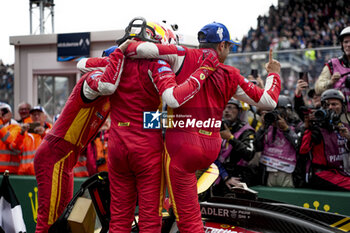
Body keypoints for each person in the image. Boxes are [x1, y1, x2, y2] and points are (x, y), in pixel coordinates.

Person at [125, 22, 281, 232]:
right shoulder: (231, 74)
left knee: (177, 214)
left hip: (179, 149)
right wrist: (274, 74)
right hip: (210, 149)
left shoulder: (182, 54)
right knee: (188, 213)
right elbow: (269, 102)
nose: (230, 50)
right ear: (222, 46)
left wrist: (122, 48)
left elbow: (142, 50)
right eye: (230, 47)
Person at [79, 20, 219, 232]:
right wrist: (202, 73)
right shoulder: (157, 65)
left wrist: (119, 51)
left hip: (117, 144)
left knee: (119, 218)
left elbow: (81, 63)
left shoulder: (115, 61)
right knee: (150, 218)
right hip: (145, 148)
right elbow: (172, 99)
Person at [33, 43, 126, 233]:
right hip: (55, 155)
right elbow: (105, 83)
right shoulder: (93, 77)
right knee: (49, 221)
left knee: (62, 220)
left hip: (66, 158)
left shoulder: (110, 93)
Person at [299, 89, 350, 191]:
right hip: (322, 174)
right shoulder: (316, 128)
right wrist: (308, 128)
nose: (331, 107)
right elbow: (303, 150)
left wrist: (349, 138)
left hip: (340, 173)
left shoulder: (346, 127)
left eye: (334, 104)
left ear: (343, 107)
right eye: (327, 105)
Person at [213, 98, 258, 197]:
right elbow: (211, 157)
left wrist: (231, 138)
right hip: (219, 175)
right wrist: (225, 176)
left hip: (238, 177)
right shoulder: (217, 128)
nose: (226, 111)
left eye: (230, 107)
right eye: (224, 108)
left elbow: (249, 154)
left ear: (240, 111)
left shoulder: (247, 131)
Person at [256, 95, 301, 188]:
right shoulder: (268, 126)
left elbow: (299, 146)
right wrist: (262, 127)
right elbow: (257, 146)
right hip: (268, 171)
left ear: (287, 111)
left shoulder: (296, 126)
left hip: (287, 172)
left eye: (279, 110)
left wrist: (286, 129)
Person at [315, 26, 350, 121]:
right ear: (342, 45)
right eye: (346, 42)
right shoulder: (332, 64)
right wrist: (331, 81)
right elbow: (318, 88)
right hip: (339, 116)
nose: (348, 45)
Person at [0, 102, 21, 174]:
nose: (2, 114)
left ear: (11, 114)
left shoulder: (15, 126)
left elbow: (10, 140)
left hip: (10, 170)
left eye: (4, 111)